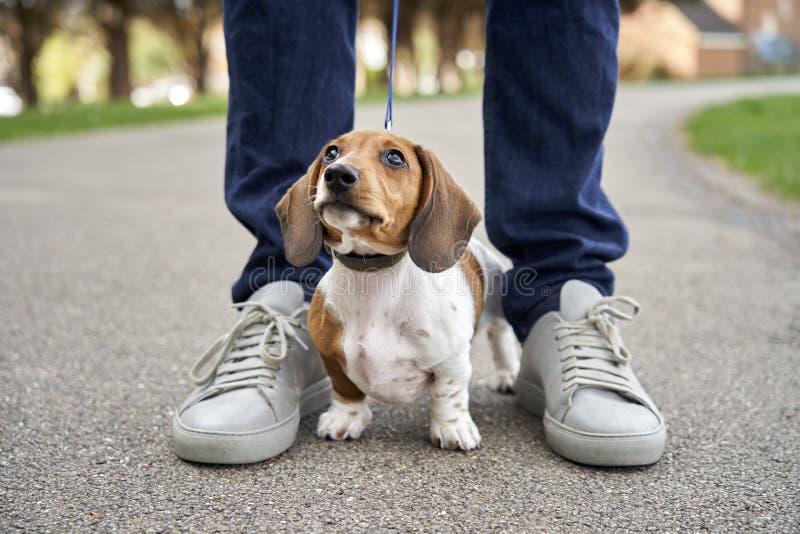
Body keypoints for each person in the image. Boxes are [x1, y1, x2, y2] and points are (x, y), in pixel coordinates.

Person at [171, 0, 666, 467]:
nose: (341, 172)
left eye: (392, 160)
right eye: (333, 159)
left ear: (430, 197)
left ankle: (559, 295)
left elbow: (453, 357)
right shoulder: (318, 232)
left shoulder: (448, 284)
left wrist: (450, 411)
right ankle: (284, 294)